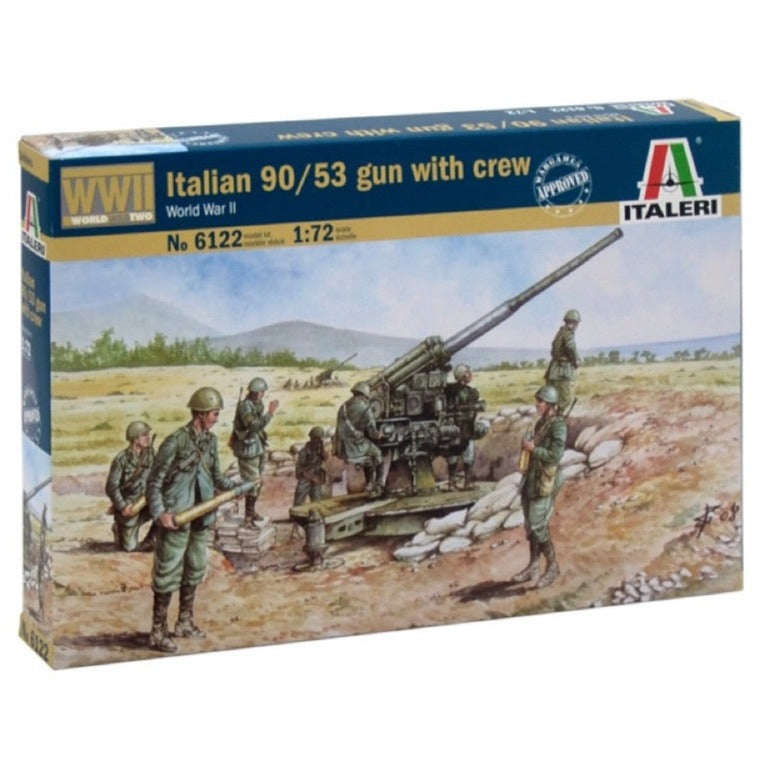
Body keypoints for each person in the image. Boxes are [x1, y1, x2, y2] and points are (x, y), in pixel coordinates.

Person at [146, 387, 236, 653]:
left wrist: (237, 487)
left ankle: (184, 622)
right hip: (175, 517)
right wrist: (160, 512)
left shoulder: (211, 442)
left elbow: (216, 476)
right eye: (214, 414)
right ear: (201, 414)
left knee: (194, 568)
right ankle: (158, 631)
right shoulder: (175, 442)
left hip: (200, 516)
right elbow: (154, 482)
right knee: (167, 573)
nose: (217, 418)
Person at [512, 384, 567, 588]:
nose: (537, 405)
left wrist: (533, 449)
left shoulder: (558, 425)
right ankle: (533, 566)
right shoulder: (541, 423)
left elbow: (555, 455)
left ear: (550, 405)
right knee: (530, 525)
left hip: (545, 479)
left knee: (538, 524)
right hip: (532, 478)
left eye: (541, 402)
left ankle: (552, 567)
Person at [230, 377, 279, 527]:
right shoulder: (245, 406)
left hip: (257, 447)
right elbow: (254, 426)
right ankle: (248, 518)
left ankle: (251, 513)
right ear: (256, 392)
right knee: (252, 483)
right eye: (261, 392)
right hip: (247, 450)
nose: (262, 395)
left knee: (257, 483)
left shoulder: (257, 404)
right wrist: (270, 413)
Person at [105, 421, 156, 551]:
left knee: (167, 507)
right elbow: (111, 487)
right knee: (130, 548)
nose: (148, 437)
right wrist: (123, 507)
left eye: (148, 434)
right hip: (130, 506)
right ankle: (119, 529)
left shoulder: (150, 454)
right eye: (144, 435)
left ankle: (151, 538)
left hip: (146, 501)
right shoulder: (121, 460)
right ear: (135, 439)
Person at [334, 382, 384, 495]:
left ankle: (369, 483)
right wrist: (380, 434)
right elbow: (373, 434)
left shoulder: (343, 407)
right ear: (363, 396)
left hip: (344, 448)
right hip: (357, 446)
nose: (366, 400)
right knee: (377, 454)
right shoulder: (365, 410)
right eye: (366, 398)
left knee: (368, 459)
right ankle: (379, 484)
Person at [445, 363, 485, 489]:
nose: (470, 374)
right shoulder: (471, 392)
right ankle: (467, 483)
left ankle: (452, 483)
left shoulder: (448, 390)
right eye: (468, 372)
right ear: (463, 376)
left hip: (454, 430)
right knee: (468, 455)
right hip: (465, 429)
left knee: (454, 456)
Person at [544, 309, 581, 415]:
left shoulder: (560, 332)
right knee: (566, 399)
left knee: (551, 397)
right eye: (576, 323)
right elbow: (571, 346)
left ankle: (548, 418)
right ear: (574, 323)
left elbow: (553, 349)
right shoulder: (568, 333)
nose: (576, 326)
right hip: (562, 371)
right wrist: (576, 359)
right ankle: (558, 418)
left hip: (553, 370)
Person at [293, 426, 329, 506]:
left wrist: (322, 447)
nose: (317, 441)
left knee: (317, 501)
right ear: (312, 438)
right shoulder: (304, 452)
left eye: (319, 439)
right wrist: (312, 478)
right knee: (299, 501)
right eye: (316, 439)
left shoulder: (319, 450)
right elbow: (300, 470)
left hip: (316, 477)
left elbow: (325, 458)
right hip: (305, 477)